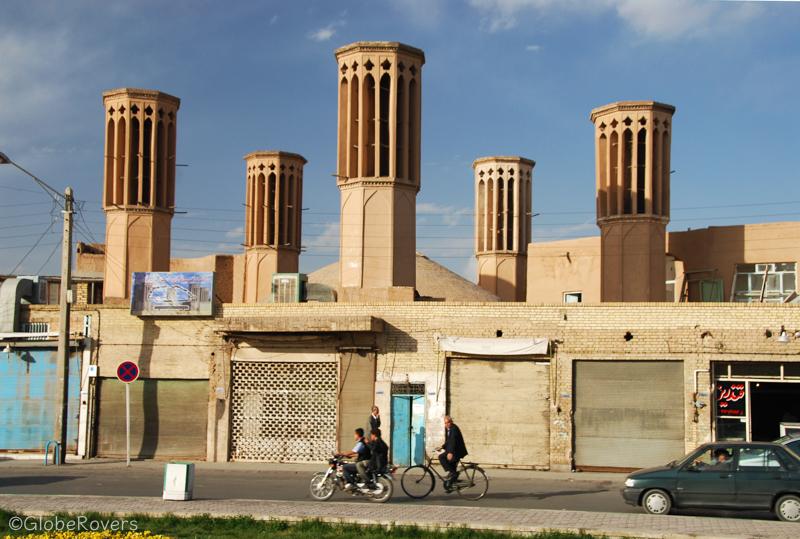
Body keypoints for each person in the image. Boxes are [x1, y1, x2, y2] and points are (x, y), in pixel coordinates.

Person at [436, 415, 468, 490]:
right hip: (454, 450)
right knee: (452, 467)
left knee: (441, 457)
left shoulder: (454, 429)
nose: (446, 424)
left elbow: (453, 441)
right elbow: (448, 441)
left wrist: (450, 452)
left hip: (457, 451)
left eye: (448, 423)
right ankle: (451, 485)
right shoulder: (449, 428)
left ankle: (454, 475)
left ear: (451, 422)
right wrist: (442, 447)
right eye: (445, 423)